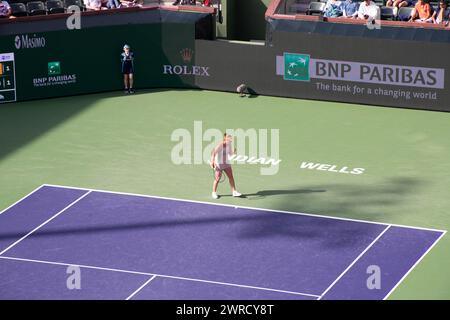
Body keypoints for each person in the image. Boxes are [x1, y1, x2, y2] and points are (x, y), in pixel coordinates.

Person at [210, 133, 242, 199]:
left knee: (231, 177)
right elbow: (213, 152)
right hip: (219, 164)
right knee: (217, 179)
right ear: (225, 138)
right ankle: (214, 192)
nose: (230, 139)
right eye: (228, 137)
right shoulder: (220, 145)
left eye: (230, 137)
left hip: (226, 163)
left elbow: (230, 154)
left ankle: (234, 192)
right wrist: (212, 161)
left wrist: (234, 152)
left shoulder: (229, 145)